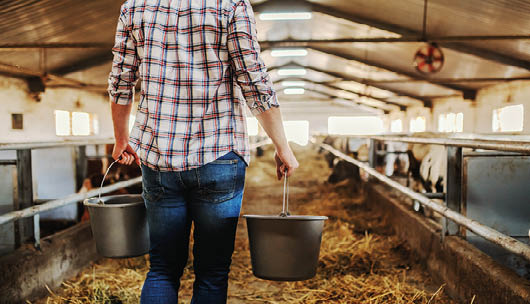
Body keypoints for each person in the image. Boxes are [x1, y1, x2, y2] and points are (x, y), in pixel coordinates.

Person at [107, 0, 298, 303]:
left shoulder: (135, 6)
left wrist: (120, 139)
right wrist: (282, 145)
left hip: (158, 157)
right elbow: (254, 79)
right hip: (219, 154)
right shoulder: (231, 5)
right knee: (212, 272)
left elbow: (121, 80)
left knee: (163, 268)